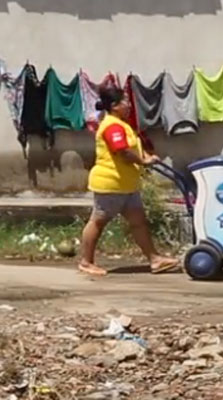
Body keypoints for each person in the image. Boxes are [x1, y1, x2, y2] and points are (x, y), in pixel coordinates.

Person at [79, 86, 179, 276]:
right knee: (98, 221)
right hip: (111, 183)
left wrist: (145, 155)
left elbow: (131, 147)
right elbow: (122, 152)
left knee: (138, 222)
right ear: (115, 106)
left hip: (127, 184)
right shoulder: (112, 126)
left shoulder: (122, 124)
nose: (128, 105)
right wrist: (143, 161)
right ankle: (86, 262)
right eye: (124, 102)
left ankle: (155, 259)